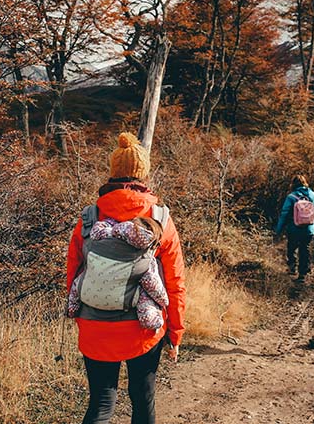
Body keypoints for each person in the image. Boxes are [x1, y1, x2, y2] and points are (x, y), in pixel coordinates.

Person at [66, 132, 186, 424]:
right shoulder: (160, 219)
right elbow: (175, 282)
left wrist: (78, 313)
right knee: (142, 400)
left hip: (95, 323)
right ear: (143, 174)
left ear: (113, 172)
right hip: (143, 329)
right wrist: (176, 331)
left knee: (101, 402)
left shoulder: (90, 217)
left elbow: (73, 274)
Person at [275, 174, 314, 282]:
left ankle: (292, 267)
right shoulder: (312, 194)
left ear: (293, 184)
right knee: (304, 249)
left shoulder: (291, 197)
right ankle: (302, 274)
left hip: (294, 228)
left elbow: (284, 213)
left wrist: (278, 229)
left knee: (292, 247)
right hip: (309, 229)